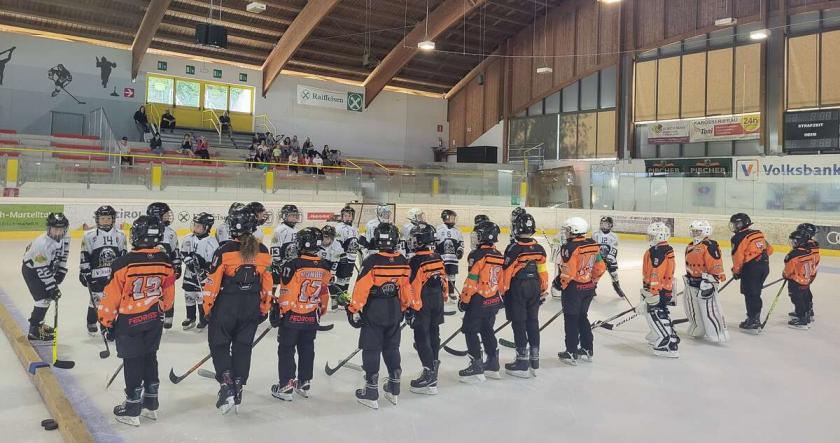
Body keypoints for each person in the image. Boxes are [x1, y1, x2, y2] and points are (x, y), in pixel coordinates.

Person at [98, 215, 175, 427]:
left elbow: (110, 296)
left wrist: (106, 322)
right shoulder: (166, 261)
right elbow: (168, 298)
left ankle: (132, 407)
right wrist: (160, 310)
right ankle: (151, 404)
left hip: (129, 321)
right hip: (153, 319)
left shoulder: (122, 263)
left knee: (132, 361)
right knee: (150, 357)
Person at [202, 207, 273, 414]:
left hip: (226, 306)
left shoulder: (224, 250)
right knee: (243, 346)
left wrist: (207, 308)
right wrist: (264, 307)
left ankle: (226, 384)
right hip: (250, 306)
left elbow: (212, 283)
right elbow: (267, 283)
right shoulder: (263, 251)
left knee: (219, 343)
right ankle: (238, 384)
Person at [347, 223, 421, 409]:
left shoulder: (372, 261)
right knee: (392, 347)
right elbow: (406, 288)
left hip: (375, 309)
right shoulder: (402, 261)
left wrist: (353, 309)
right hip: (394, 309)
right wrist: (407, 307)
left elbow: (361, 288)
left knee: (371, 349)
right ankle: (394, 388)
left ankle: (371, 391)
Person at [270, 228, 331, 401]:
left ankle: (286, 385)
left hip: (292, 316)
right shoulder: (324, 265)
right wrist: (321, 310)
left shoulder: (293, 264)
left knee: (286, 348)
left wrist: (280, 311)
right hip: (312, 314)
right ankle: (304, 382)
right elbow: (324, 292)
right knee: (307, 348)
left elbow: (287, 292)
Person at [499, 213, 548, 378]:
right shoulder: (540, 248)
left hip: (518, 288)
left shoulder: (514, 248)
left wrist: (502, 292)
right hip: (535, 287)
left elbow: (506, 273)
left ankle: (522, 361)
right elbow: (543, 271)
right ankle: (535, 359)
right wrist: (543, 289)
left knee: (519, 323)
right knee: (533, 321)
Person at [457, 221, 504, 383]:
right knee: (487, 329)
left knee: (470, 330)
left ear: (483, 236)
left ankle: (476, 366)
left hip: (478, 300)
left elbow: (472, 281)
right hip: (493, 300)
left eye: (477, 234)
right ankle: (492, 364)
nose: (474, 237)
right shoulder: (498, 254)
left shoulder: (476, 255)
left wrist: (464, 299)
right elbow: (502, 282)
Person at [554, 217, 605, 365]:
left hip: (573, 289)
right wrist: (593, 281)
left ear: (575, 231)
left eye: (568, 230)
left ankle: (571, 351)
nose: (566, 232)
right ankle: (587, 349)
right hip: (588, 287)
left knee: (571, 319)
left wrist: (560, 283)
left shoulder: (568, 247)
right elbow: (600, 267)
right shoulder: (593, 245)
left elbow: (568, 271)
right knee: (582, 317)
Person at [406, 223, 447, 393]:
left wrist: (410, 308)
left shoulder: (415, 261)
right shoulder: (437, 257)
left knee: (422, 337)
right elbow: (444, 281)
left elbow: (413, 287)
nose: (413, 241)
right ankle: (433, 368)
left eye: (415, 238)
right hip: (437, 301)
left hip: (422, 303)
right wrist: (444, 297)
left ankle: (429, 375)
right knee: (434, 333)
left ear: (422, 240)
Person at [22, 213, 70, 341]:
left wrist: (61, 270)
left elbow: (64, 254)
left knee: (47, 298)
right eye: (55, 229)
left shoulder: (66, 237)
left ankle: (39, 324)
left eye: (61, 229)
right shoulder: (41, 244)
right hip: (33, 270)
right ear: (49, 228)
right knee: (43, 300)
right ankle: (34, 331)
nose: (58, 232)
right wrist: (52, 286)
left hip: (46, 266)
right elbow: (41, 269)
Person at [80, 205, 127, 335]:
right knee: (96, 299)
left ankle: (106, 323)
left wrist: (124, 273)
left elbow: (124, 255)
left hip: (114, 275)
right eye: (102, 218)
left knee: (112, 299)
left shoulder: (121, 235)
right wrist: (85, 272)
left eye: (108, 218)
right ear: (97, 220)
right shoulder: (89, 236)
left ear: (113, 219)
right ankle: (91, 321)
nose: (105, 221)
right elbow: (85, 255)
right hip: (96, 274)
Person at [683, 220, 729, 343]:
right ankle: (698, 328)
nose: (694, 233)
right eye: (693, 231)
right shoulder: (690, 246)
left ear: (706, 231)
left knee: (710, 310)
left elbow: (715, 263)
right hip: (692, 282)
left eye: (697, 231)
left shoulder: (709, 245)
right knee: (693, 308)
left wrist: (715, 277)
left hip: (705, 282)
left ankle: (718, 332)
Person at [729, 213, 774, 334]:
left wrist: (736, 271)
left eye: (736, 224)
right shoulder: (757, 233)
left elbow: (737, 257)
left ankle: (753, 320)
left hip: (751, 270)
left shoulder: (737, 238)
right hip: (764, 267)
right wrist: (758, 258)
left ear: (743, 224)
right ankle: (754, 318)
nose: (734, 226)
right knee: (755, 293)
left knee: (750, 294)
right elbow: (770, 250)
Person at [639, 222, 679, 358]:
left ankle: (667, 344)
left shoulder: (657, 251)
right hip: (664, 288)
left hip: (658, 289)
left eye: (651, 235)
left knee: (656, 313)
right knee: (661, 313)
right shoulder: (666, 248)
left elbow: (656, 272)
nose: (649, 237)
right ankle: (664, 336)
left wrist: (653, 291)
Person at [180, 213, 219, 331]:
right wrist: (189, 262)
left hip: (203, 276)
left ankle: (203, 319)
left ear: (206, 227)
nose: (195, 227)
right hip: (189, 274)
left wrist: (204, 271)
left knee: (201, 297)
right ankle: (190, 317)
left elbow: (213, 261)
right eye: (195, 225)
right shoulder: (188, 238)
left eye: (198, 226)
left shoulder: (212, 242)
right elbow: (183, 253)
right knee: (189, 295)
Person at [146, 202, 181, 329]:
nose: (168, 217)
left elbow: (175, 250)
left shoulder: (171, 233)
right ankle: (151, 315)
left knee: (168, 292)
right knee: (151, 293)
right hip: (150, 270)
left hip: (167, 270)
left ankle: (168, 315)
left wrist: (177, 265)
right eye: (165, 215)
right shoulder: (146, 231)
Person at [783, 227, 820, 330]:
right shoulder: (808, 251)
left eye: (794, 241)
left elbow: (788, 269)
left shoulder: (793, 254)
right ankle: (807, 315)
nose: (792, 243)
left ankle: (802, 319)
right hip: (806, 279)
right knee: (804, 297)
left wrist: (785, 275)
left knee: (796, 298)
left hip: (796, 280)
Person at [333, 206, 360, 304]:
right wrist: (341, 256)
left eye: (350, 215)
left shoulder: (354, 228)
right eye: (346, 215)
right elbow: (337, 244)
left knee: (347, 278)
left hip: (352, 257)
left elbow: (356, 243)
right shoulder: (339, 228)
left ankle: (344, 296)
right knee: (341, 278)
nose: (348, 217)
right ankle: (338, 298)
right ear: (342, 216)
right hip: (343, 258)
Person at [592, 216, 624, 298]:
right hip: (598, 258)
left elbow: (614, 248)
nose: (604, 226)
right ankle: (592, 289)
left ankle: (617, 287)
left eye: (606, 224)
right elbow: (593, 247)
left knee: (614, 273)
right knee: (596, 273)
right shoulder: (595, 234)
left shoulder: (614, 236)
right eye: (602, 224)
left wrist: (609, 258)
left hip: (610, 258)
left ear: (610, 225)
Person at [435, 210, 464, 302]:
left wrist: (460, 250)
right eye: (452, 217)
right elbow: (435, 242)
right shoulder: (439, 229)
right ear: (446, 218)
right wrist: (435, 253)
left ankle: (451, 292)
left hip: (453, 259)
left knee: (452, 275)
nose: (454, 219)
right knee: (441, 276)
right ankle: (440, 292)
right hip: (442, 258)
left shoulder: (457, 231)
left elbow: (461, 243)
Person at [317, 225, 343, 309]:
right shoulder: (316, 241)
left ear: (332, 238)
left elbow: (335, 261)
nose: (325, 240)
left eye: (327, 238)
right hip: (316, 263)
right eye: (324, 237)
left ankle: (334, 298)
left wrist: (332, 274)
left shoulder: (337, 245)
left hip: (329, 263)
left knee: (330, 282)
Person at [271, 205, 301, 275]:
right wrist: (278, 263)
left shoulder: (297, 230)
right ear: (284, 216)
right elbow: (274, 247)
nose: (294, 218)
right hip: (283, 265)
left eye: (296, 216)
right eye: (292, 216)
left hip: (293, 264)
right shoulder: (280, 230)